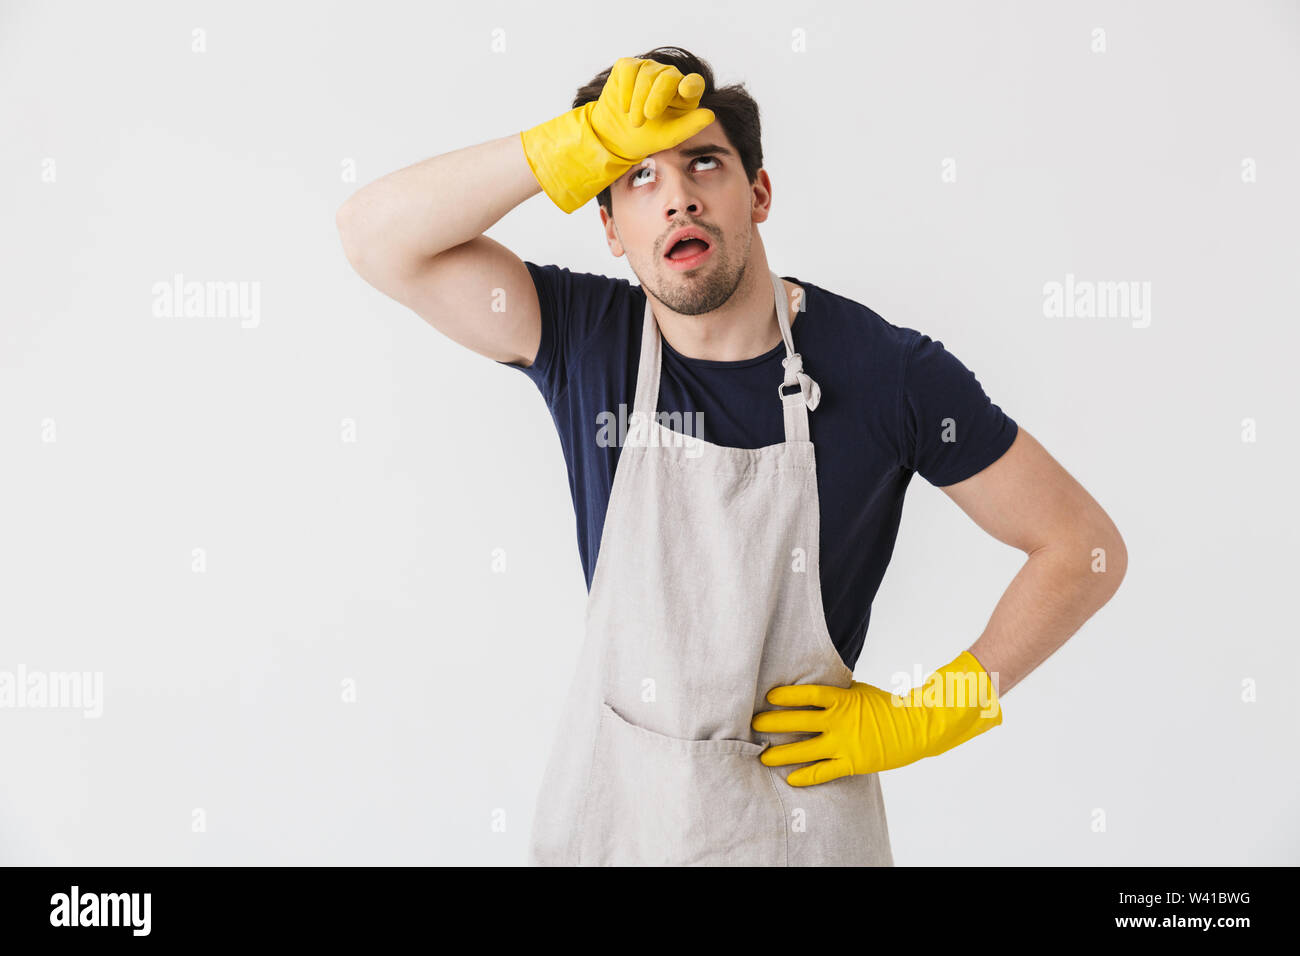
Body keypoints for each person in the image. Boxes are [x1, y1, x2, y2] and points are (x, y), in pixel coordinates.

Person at [335, 47, 1128, 866]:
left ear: (757, 195)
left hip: (803, 829)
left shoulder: (889, 372)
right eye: (637, 176)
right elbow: (373, 238)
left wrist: (930, 717)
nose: (676, 195)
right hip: (618, 825)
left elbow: (1083, 550)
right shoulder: (580, 336)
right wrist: (564, 146)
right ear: (608, 226)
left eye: (702, 163)